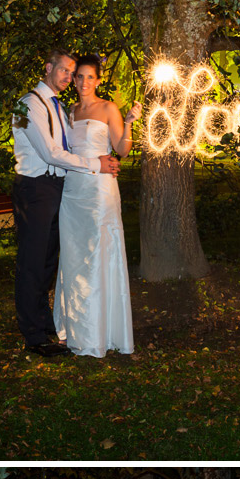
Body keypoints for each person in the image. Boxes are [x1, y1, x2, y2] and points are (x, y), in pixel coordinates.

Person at [11, 50, 121, 358]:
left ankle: (44, 324)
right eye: (64, 70)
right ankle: (33, 335)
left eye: (72, 73)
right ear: (48, 68)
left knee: (47, 261)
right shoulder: (29, 104)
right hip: (34, 188)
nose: (69, 77)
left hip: (57, 188)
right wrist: (94, 164)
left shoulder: (59, 108)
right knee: (32, 262)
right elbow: (49, 153)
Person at [53, 55, 141, 358]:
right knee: (74, 258)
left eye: (90, 77)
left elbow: (121, 150)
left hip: (100, 191)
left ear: (99, 81)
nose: (83, 83)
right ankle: (72, 328)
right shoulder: (68, 112)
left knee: (99, 255)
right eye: (79, 77)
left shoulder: (108, 108)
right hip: (72, 191)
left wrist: (129, 124)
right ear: (73, 80)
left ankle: (100, 330)